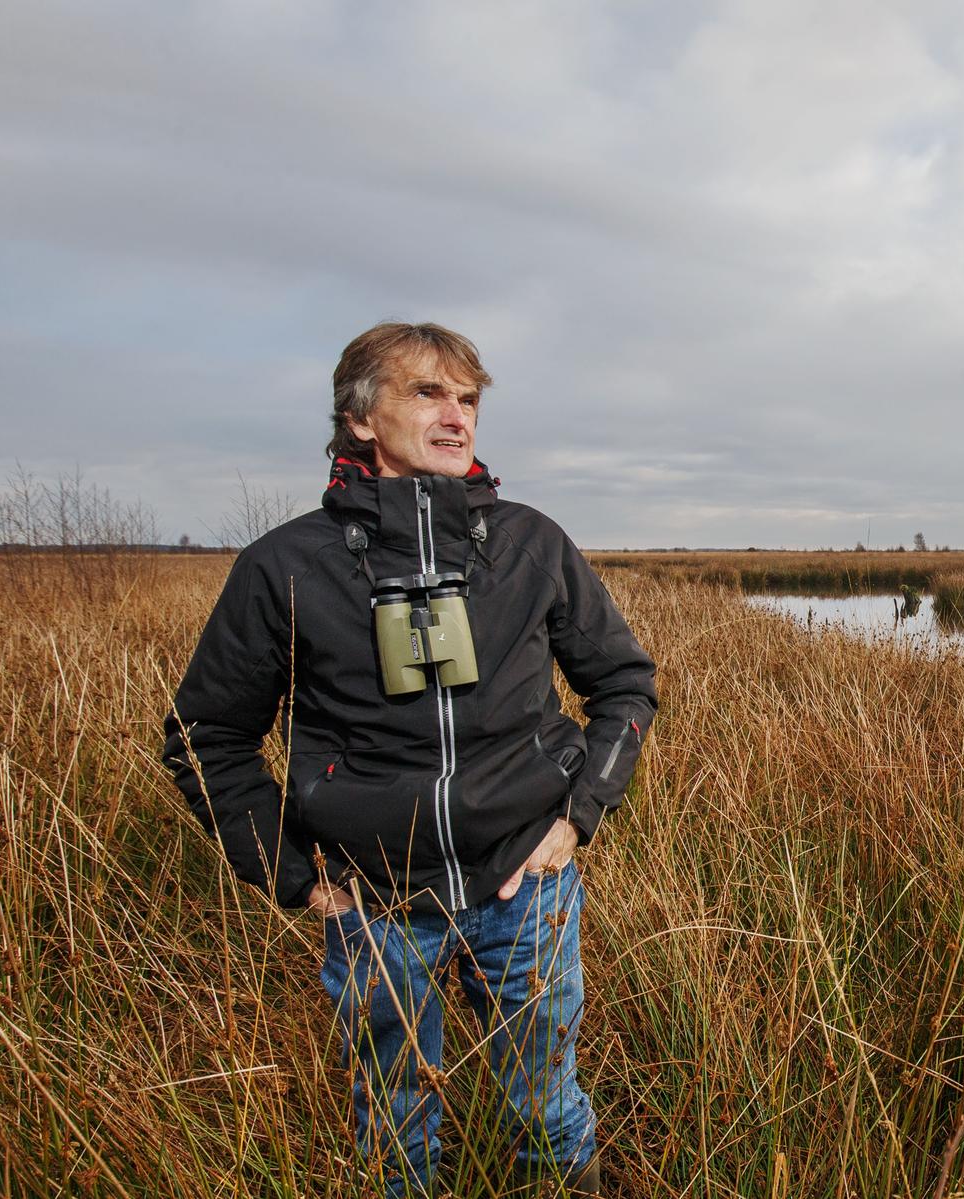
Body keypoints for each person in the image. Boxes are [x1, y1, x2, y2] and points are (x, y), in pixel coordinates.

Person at [162, 322, 656, 1196]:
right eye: (429, 392)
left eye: (468, 398)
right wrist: (294, 875)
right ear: (360, 417)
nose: (456, 414)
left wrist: (575, 821)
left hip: (525, 886)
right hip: (375, 899)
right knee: (394, 1126)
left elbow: (623, 684)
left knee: (545, 1105)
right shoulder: (285, 565)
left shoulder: (531, 543)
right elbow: (208, 738)